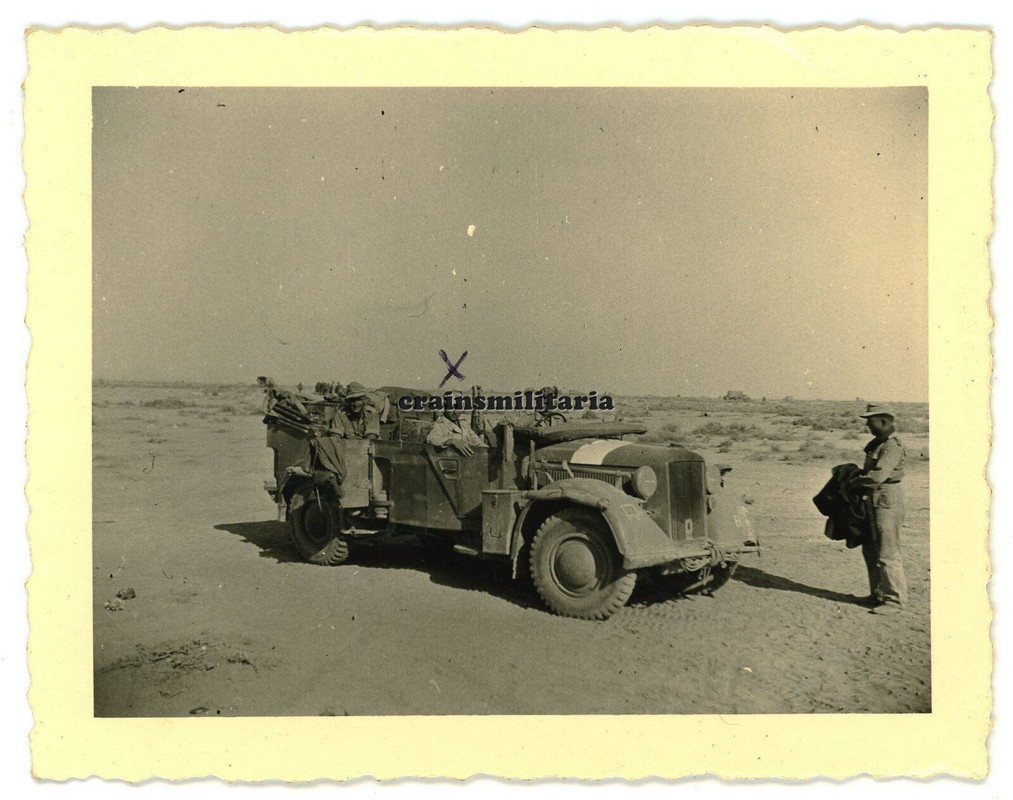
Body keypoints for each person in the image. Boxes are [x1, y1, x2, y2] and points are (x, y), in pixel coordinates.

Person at [850, 403, 907, 614]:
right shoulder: (878, 444)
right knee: (871, 550)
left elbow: (877, 476)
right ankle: (878, 595)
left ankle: (895, 601)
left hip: (886, 499)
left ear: (884, 420)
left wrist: (852, 483)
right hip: (873, 498)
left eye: (870, 421)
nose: (867, 425)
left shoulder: (892, 446)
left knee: (887, 551)